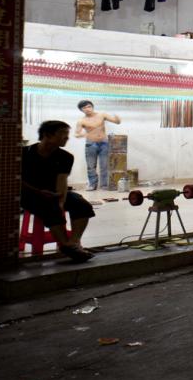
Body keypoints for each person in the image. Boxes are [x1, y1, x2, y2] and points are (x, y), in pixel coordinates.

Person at [21, 121, 96, 262]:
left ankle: (72, 243)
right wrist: (39, 192)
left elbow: (62, 180)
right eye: (62, 134)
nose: (66, 138)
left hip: (54, 193)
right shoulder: (25, 153)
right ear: (47, 135)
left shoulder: (66, 157)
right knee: (50, 207)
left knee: (82, 204)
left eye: (67, 135)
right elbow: (17, 180)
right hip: (29, 194)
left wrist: (60, 200)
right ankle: (66, 244)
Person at [74, 100, 121, 191]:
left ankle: (104, 185)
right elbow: (76, 134)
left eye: (89, 106)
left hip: (104, 143)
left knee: (104, 165)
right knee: (91, 166)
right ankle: (92, 185)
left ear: (92, 106)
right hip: (91, 144)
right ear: (81, 110)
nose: (87, 109)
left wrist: (117, 117)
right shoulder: (81, 121)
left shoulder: (102, 115)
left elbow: (117, 122)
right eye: (84, 108)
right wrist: (83, 134)